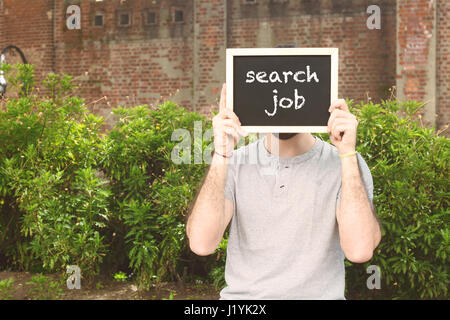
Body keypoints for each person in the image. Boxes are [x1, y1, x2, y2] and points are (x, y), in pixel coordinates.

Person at [186, 83, 381, 299]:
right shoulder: (234, 163)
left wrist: (347, 153)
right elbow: (201, 244)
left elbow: (360, 250)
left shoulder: (346, 163)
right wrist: (221, 154)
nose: (283, 106)